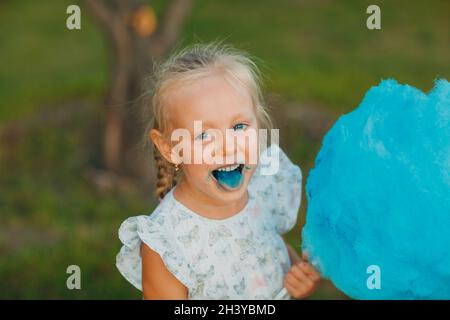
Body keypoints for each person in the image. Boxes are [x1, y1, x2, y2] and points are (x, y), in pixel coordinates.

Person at [116, 42, 320, 299]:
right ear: (170, 148)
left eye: (239, 127)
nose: (228, 147)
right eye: (204, 135)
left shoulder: (263, 190)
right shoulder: (167, 245)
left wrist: (299, 283)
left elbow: (276, 261)